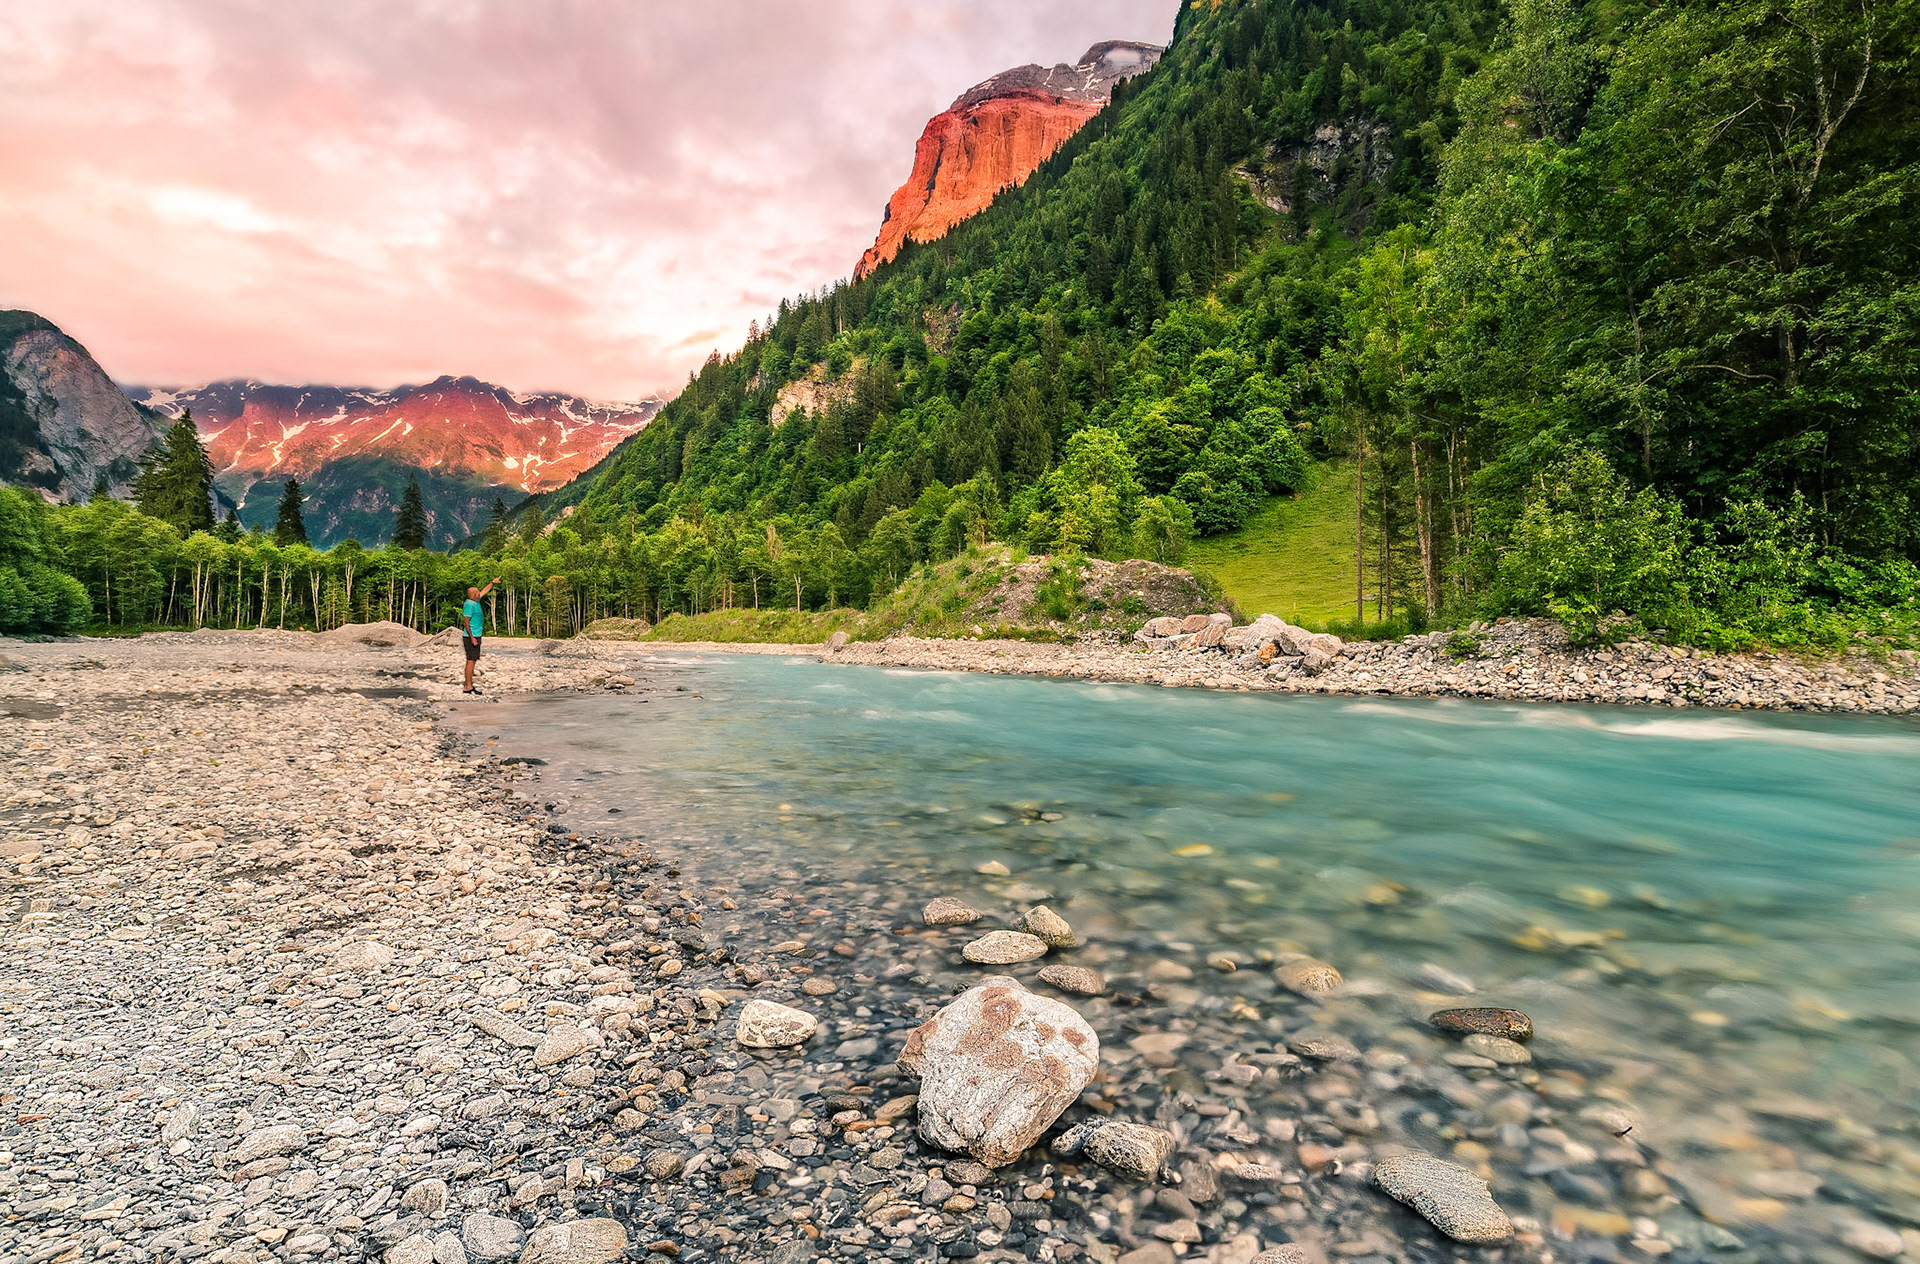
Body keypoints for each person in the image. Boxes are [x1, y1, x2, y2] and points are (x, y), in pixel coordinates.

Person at [461, 578, 501, 694]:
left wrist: (492, 583)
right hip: (471, 637)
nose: (479, 593)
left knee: (473, 660)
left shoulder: (476, 601)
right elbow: (466, 622)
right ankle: (468, 687)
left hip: (476, 635)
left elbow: (484, 591)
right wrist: (472, 637)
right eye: (477, 592)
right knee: (470, 660)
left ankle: (469, 685)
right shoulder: (469, 605)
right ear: (473, 595)